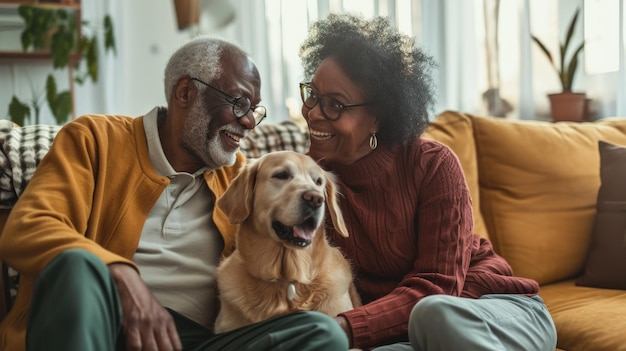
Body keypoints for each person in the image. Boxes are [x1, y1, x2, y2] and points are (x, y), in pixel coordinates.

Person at [0, 36, 348, 351]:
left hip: (193, 342)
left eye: (254, 111)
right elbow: (28, 227)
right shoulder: (94, 140)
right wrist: (119, 274)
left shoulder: (240, 175)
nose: (247, 123)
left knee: (321, 333)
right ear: (186, 93)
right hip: (102, 327)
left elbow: (288, 235)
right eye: (239, 103)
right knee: (78, 265)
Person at [297, 14, 558, 351]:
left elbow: (439, 287)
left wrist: (344, 327)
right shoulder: (306, 180)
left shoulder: (432, 164)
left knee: (432, 313)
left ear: (377, 118)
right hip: (405, 332)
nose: (313, 112)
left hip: (498, 312)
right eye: (313, 95)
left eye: (335, 104)